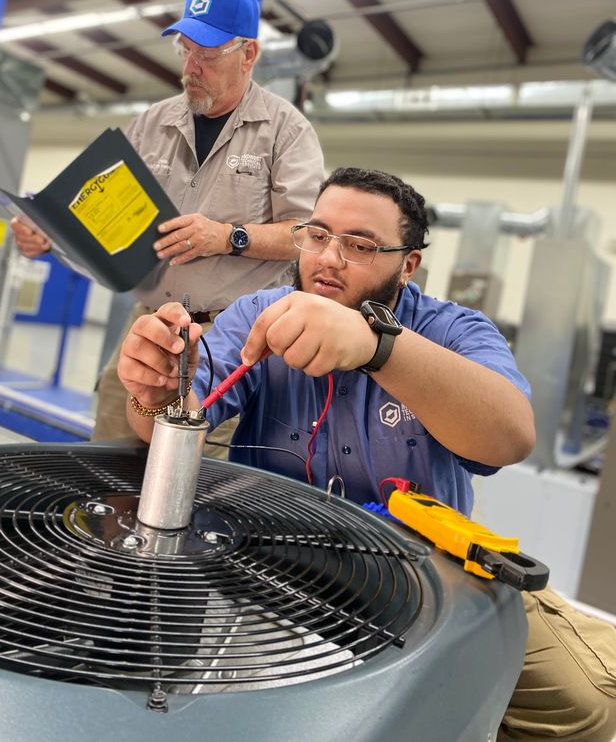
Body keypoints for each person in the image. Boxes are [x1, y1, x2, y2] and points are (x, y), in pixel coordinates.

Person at [118, 166, 616, 741]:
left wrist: (380, 349)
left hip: (421, 577)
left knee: (587, 699)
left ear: (408, 265)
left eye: (360, 245)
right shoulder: (262, 313)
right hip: (268, 562)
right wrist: (153, 387)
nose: (329, 258)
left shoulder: (455, 331)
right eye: (318, 234)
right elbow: (173, 410)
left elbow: (510, 436)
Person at [11, 0, 325, 441]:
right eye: (185, 49)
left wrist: (227, 236)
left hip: (228, 339)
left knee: (194, 476)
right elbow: (103, 223)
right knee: (110, 458)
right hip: (150, 325)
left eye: (208, 53)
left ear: (248, 54)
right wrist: (50, 237)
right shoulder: (152, 123)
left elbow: (308, 235)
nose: (191, 67)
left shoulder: (286, 131)